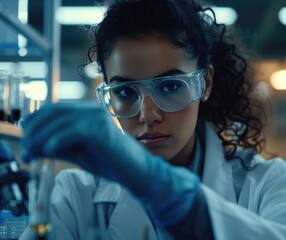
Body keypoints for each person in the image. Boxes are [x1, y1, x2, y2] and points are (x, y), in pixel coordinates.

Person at [20, 0, 286, 239]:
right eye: (125, 91)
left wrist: (159, 187)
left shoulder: (268, 183)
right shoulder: (76, 195)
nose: (148, 115)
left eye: (170, 87)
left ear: (205, 83)